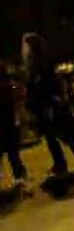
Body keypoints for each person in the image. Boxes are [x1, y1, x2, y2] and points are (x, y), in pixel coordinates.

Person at [22, 33, 74, 179]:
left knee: (64, 133)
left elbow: (47, 82)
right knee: (53, 137)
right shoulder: (34, 64)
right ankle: (62, 163)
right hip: (44, 103)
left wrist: (52, 97)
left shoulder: (41, 63)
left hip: (50, 103)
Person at [0, 55, 29, 189]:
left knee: (11, 152)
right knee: (13, 153)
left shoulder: (6, 84)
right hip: (9, 121)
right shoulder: (8, 83)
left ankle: (20, 177)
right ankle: (20, 177)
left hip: (7, 121)